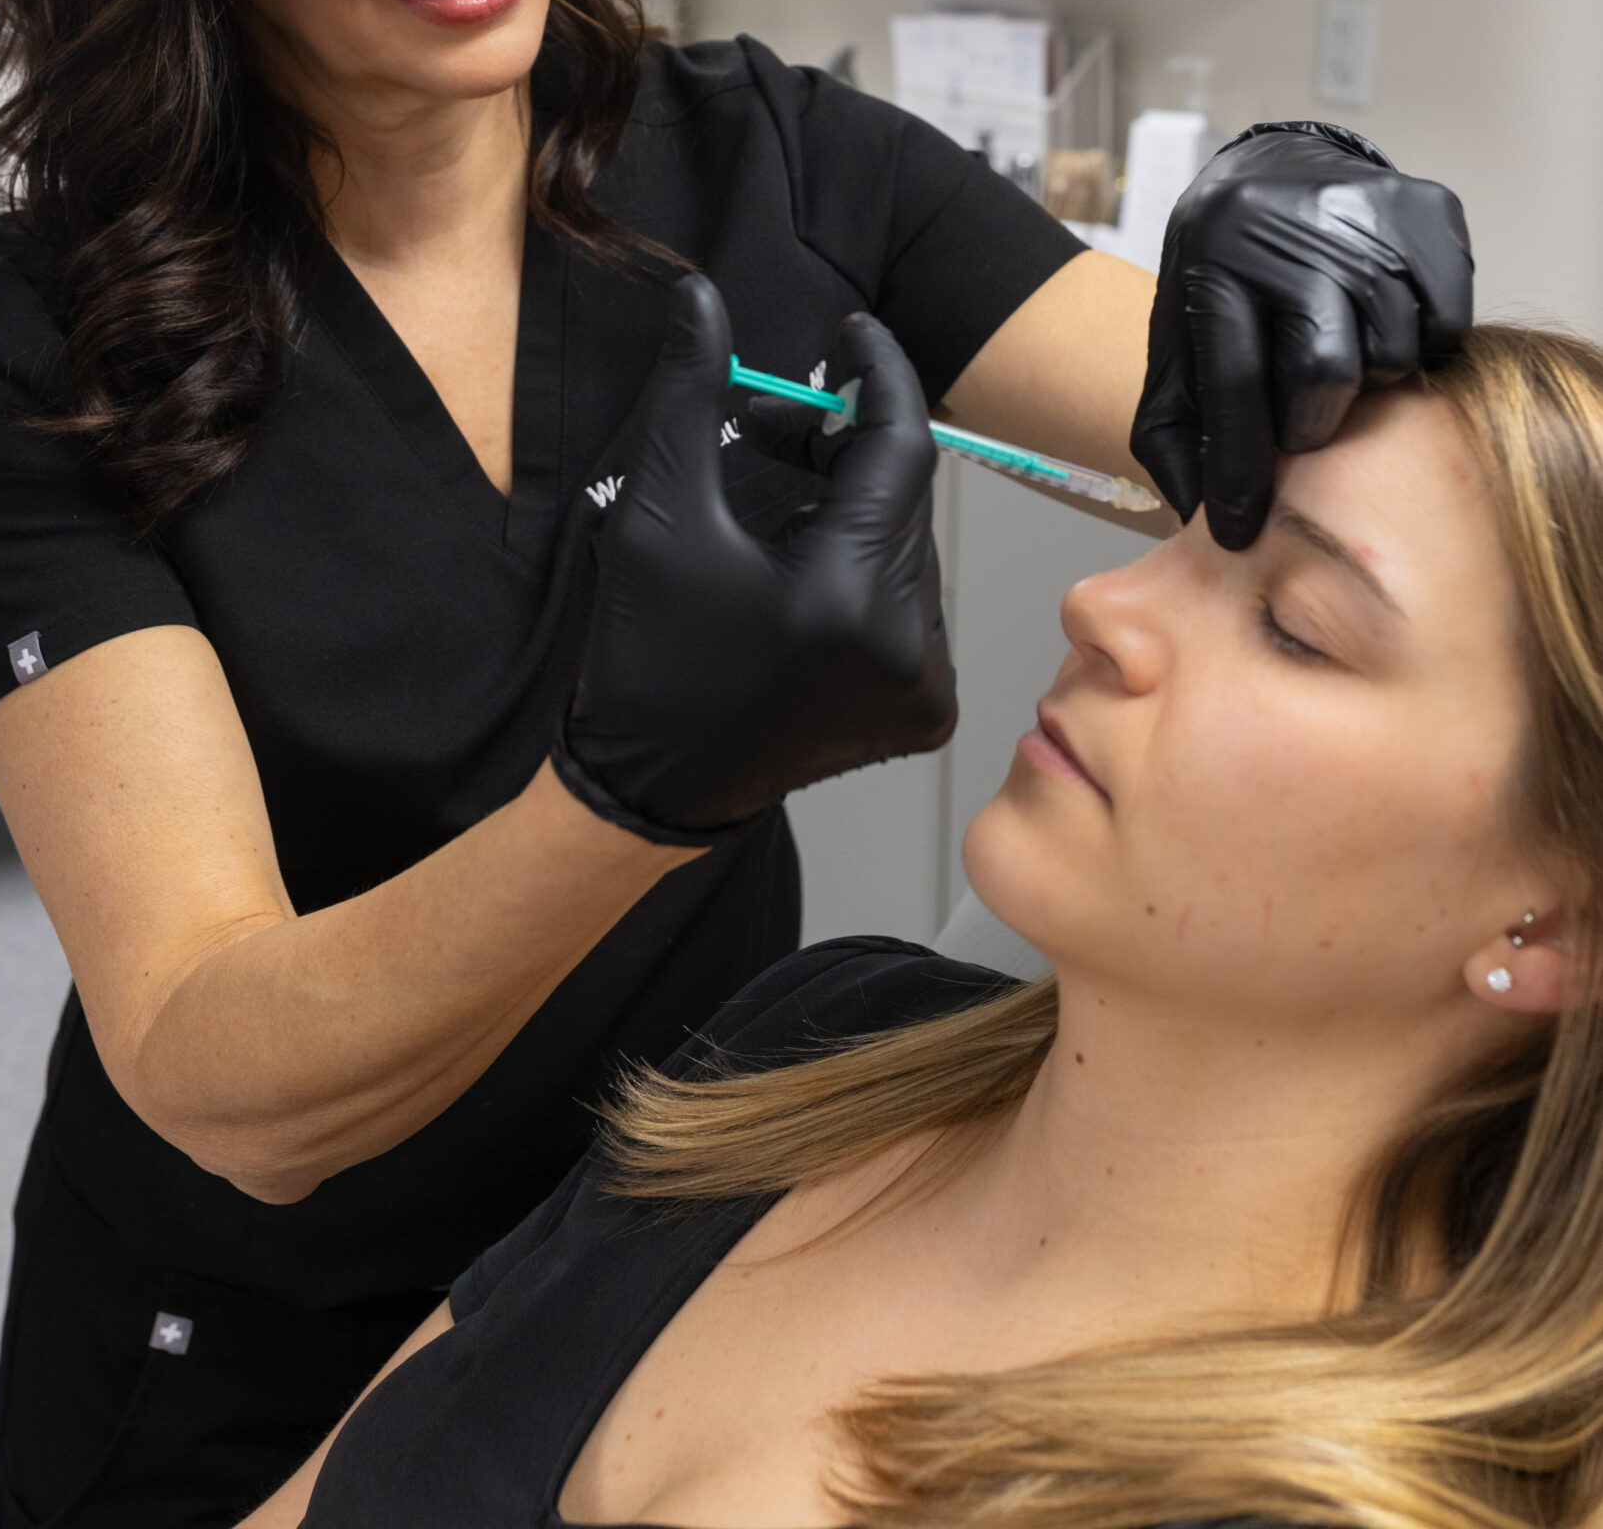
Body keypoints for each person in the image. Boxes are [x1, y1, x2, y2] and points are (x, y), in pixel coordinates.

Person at [0, 0, 1470, 1529]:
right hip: (252, 1320)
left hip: (681, 1213)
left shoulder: (773, 160)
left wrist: (1311, 242)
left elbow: (1298, 438)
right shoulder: (24, 343)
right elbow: (215, 1061)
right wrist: (636, 797)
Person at [245, 320, 1603, 1529]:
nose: (1102, 606)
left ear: (1556, 933)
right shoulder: (815, 1041)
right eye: (1183, 537)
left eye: (1297, 627)